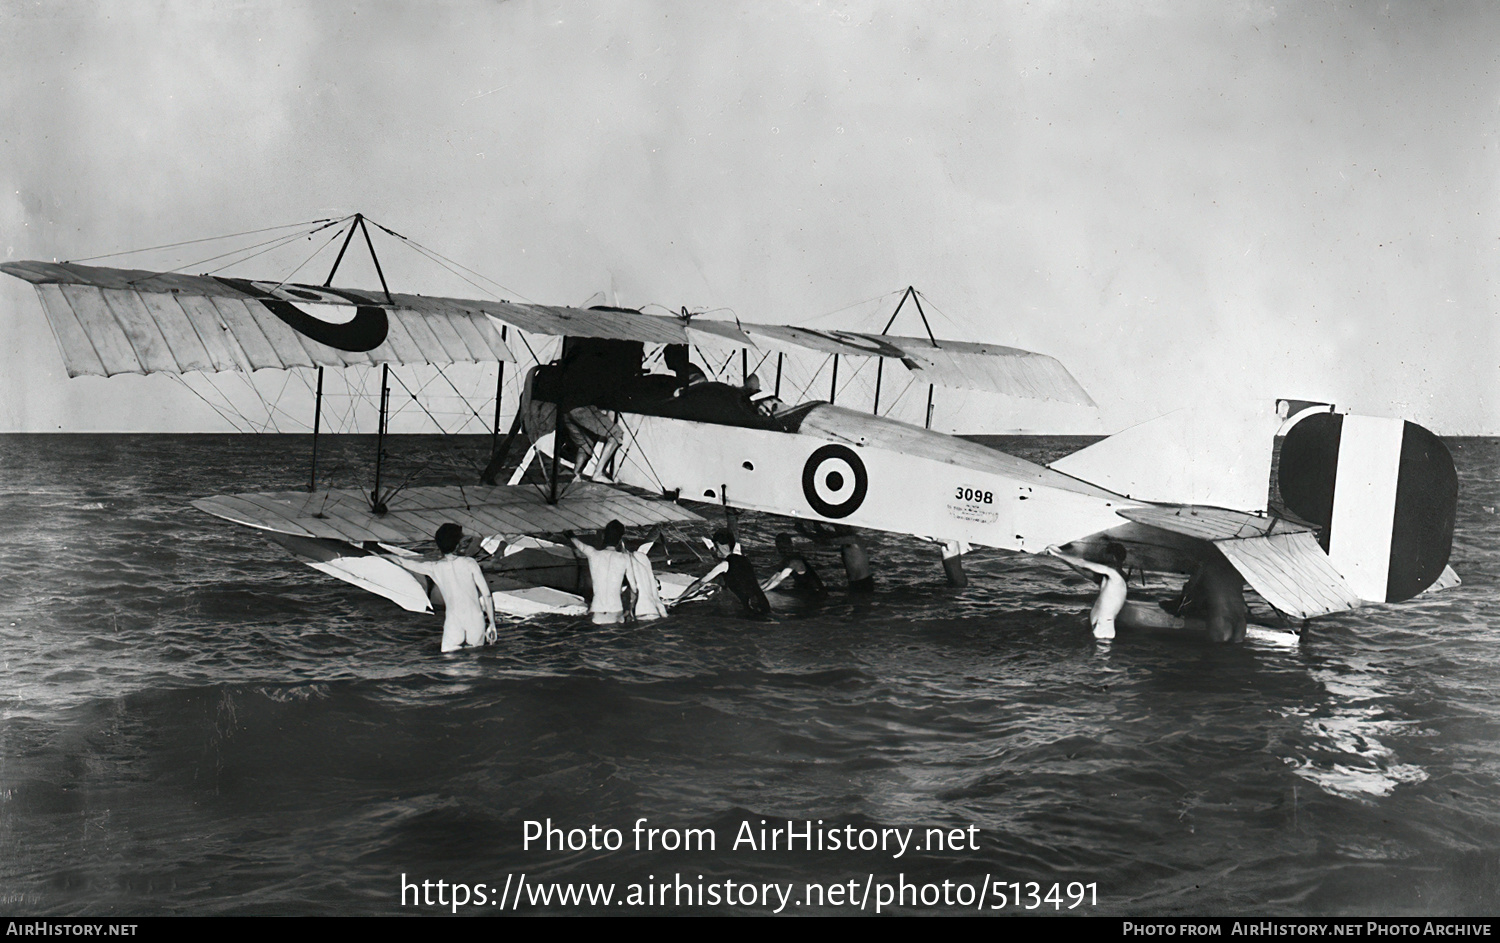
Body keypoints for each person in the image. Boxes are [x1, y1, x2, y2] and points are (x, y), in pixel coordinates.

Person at [391, 523, 497, 653]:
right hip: (475, 620)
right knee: (475, 662)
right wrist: (492, 623)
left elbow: (403, 562)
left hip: (454, 621)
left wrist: (381, 556)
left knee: (450, 663)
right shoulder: (470, 563)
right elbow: (486, 595)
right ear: (458, 544)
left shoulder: (434, 567)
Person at [677, 529, 772, 617]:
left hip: (750, 606)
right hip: (762, 601)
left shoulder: (725, 565)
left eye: (715, 545)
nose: (714, 549)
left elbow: (700, 583)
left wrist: (679, 598)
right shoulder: (745, 559)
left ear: (721, 545)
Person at [1045, 545, 1126, 640]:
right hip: (1102, 625)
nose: (1101, 561)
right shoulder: (1115, 579)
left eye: (1104, 558)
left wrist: (1059, 554)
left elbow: (1082, 563)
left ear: (1113, 558)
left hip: (1102, 627)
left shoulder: (1114, 576)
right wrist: (1062, 559)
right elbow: (1084, 571)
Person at [1163, 558, 1248, 643]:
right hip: (1237, 615)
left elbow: (1191, 590)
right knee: (1237, 640)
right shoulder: (1236, 567)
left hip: (1221, 615)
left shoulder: (1207, 568)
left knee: (1219, 641)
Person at [569, 520, 638, 625]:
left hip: (597, 610)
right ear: (619, 540)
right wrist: (630, 608)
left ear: (603, 536)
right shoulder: (625, 558)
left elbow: (579, 544)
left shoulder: (593, 554)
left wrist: (569, 534)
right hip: (616, 609)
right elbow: (634, 587)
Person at [761, 533, 827, 596]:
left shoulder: (795, 560)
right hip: (805, 589)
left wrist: (762, 592)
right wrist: (761, 588)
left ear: (791, 545)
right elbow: (775, 577)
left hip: (815, 592)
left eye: (784, 548)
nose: (783, 551)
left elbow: (779, 579)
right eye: (780, 548)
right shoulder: (787, 559)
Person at [627, 531, 669, 621]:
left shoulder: (629, 561)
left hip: (642, 610)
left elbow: (633, 592)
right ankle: (656, 529)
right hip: (655, 609)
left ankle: (656, 530)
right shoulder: (646, 564)